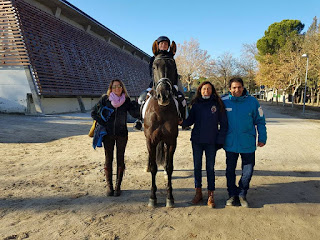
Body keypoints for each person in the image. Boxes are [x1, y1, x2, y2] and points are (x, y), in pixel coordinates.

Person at [179, 81, 228, 208]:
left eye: (208, 89)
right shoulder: (195, 104)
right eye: (204, 89)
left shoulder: (217, 104)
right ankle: (198, 193)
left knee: (210, 168)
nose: (206, 91)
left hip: (212, 141)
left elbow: (223, 124)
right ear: (200, 90)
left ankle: (211, 195)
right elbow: (190, 121)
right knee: (197, 167)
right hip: (197, 141)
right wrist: (181, 122)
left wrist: (220, 140)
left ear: (212, 90)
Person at [221, 77, 267, 208]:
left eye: (239, 87)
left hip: (247, 143)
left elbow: (260, 120)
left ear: (243, 87)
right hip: (230, 143)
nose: (237, 90)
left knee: (247, 171)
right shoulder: (223, 102)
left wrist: (262, 137)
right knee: (230, 170)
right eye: (234, 87)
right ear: (229, 89)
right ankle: (231, 194)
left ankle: (242, 193)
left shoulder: (253, 102)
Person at [91, 79, 140, 197]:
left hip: (122, 134)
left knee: (120, 159)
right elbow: (94, 113)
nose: (117, 88)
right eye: (114, 87)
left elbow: (135, 114)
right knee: (108, 159)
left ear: (122, 88)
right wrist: (103, 122)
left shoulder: (126, 101)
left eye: (119, 86)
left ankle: (118, 187)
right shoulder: (105, 99)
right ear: (111, 88)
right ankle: (109, 187)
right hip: (107, 135)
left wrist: (138, 104)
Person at [133, 36, 186, 130]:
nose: (164, 45)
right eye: (161, 43)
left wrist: (174, 86)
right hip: (156, 83)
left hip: (170, 84)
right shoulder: (153, 58)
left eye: (166, 44)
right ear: (158, 45)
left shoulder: (171, 58)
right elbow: (152, 73)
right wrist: (156, 84)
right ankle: (139, 119)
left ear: (168, 46)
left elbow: (175, 73)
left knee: (182, 99)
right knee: (142, 98)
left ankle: (183, 120)